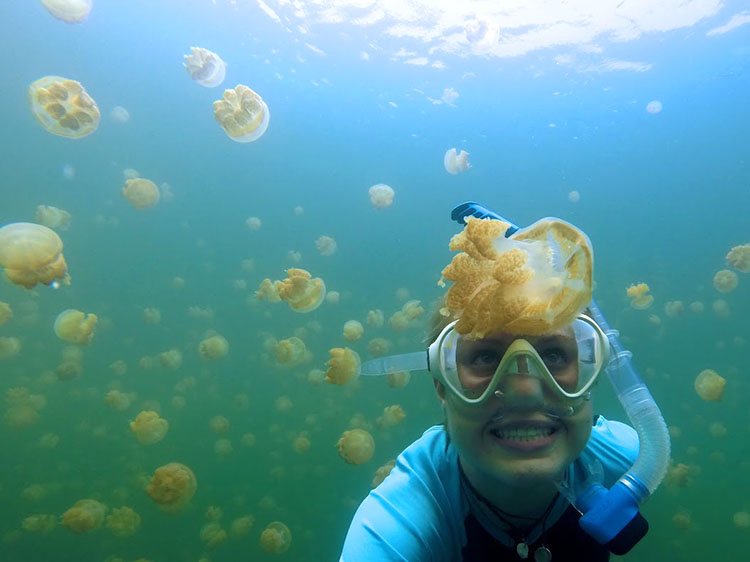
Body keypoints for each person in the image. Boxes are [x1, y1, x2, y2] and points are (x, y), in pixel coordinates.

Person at [340, 209, 652, 562]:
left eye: (553, 355)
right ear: (442, 384)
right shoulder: (398, 522)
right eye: (486, 358)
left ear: (590, 374)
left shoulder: (629, 457)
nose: (525, 392)